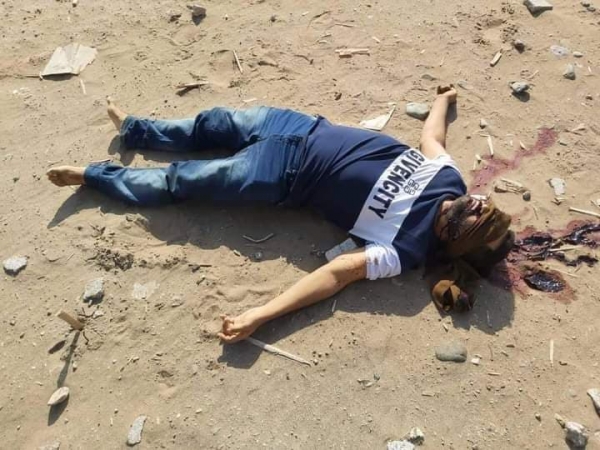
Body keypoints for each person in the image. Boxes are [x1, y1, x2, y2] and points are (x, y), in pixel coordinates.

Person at [47, 86, 514, 343]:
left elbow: (336, 274)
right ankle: (136, 130)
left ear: (459, 241)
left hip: (282, 174)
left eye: (481, 220)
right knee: (212, 123)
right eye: (486, 205)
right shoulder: (449, 179)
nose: (478, 203)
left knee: (184, 181)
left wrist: (261, 314)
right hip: (301, 126)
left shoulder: (404, 249)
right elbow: (433, 140)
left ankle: (94, 177)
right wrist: (443, 101)